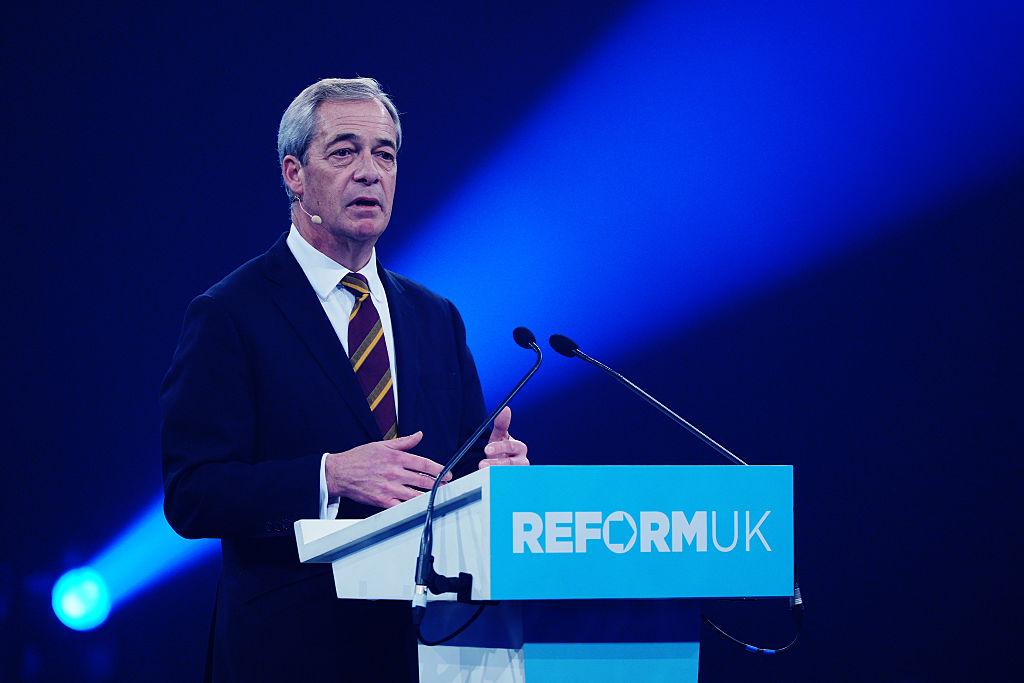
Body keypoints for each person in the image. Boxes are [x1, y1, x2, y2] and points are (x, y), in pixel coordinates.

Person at [160, 77, 529, 683]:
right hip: (289, 654)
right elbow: (193, 493)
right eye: (343, 151)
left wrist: (494, 477)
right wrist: (329, 475)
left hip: (430, 649)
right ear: (294, 174)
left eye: (384, 155)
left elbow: (454, 473)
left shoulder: (435, 317)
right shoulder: (230, 314)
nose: (369, 172)